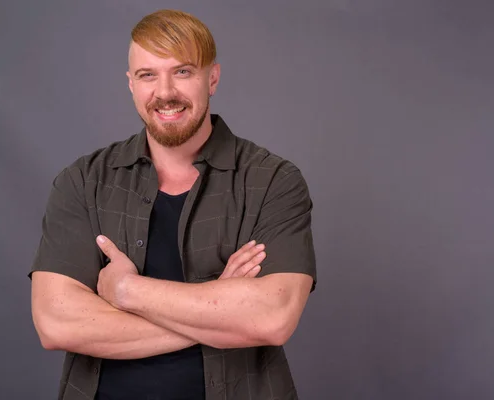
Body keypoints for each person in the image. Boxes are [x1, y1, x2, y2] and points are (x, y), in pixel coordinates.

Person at [29, 9, 317, 400]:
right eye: (148, 75)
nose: (165, 92)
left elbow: (272, 319)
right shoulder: (83, 181)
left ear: (212, 78)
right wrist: (222, 307)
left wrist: (128, 291)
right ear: (131, 84)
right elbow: (57, 324)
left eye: (182, 71)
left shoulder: (272, 181)